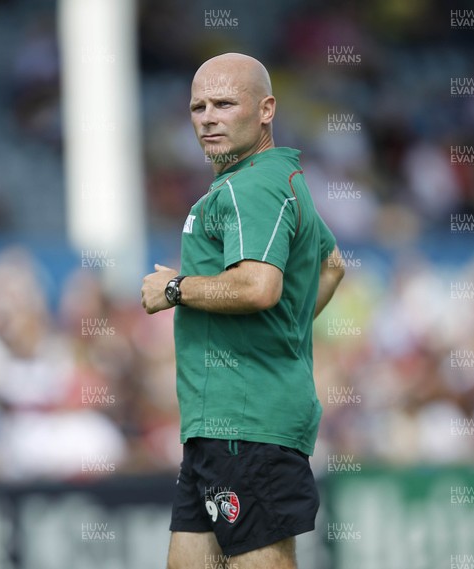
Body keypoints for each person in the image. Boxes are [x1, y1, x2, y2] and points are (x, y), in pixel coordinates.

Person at [141, 53, 344, 569]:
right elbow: (332, 267)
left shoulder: (250, 185)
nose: (207, 117)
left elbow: (259, 286)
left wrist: (174, 289)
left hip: (247, 422)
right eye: (198, 106)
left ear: (267, 109)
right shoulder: (280, 178)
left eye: (225, 103)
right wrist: (279, 339)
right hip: (221, 423)